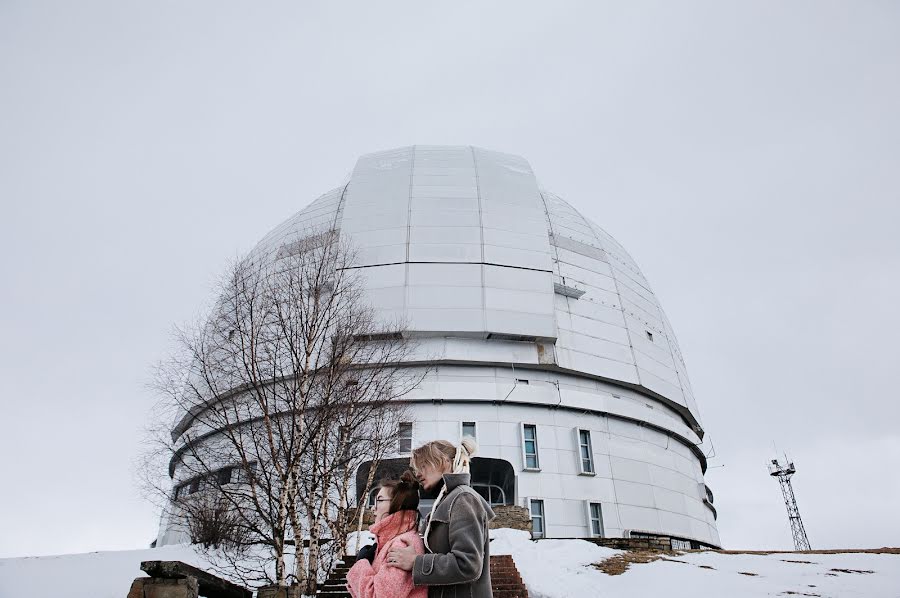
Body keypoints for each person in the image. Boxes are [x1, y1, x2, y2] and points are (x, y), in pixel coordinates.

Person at [386, 437, 495, 598]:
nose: (417, 474)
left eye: (423, 465)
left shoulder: (463, 498)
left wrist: (416, 562)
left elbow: (468, 564)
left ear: (444, 462)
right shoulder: (448, 501)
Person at [347, 471, 428, 598]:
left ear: (397, 504)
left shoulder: (401, 545)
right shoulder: (393, 541)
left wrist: (361, 564)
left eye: (379, 500)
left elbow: (378, 595)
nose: (373, 508)